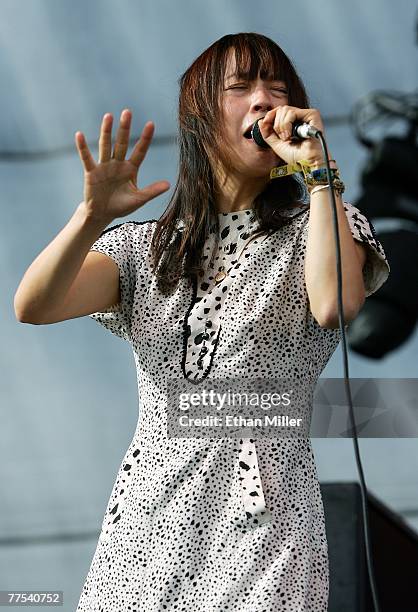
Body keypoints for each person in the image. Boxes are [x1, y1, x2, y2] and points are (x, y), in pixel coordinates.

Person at [14, 33, 390, 611]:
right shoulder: (148, 249)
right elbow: (34, 307)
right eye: (241, 88)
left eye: (279, 89)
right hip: (148, 519)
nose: (265, 102)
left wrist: (320, 175)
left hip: (264, 520)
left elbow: (335, 304)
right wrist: (89, 217)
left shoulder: (324, 221)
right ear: (197, 118)